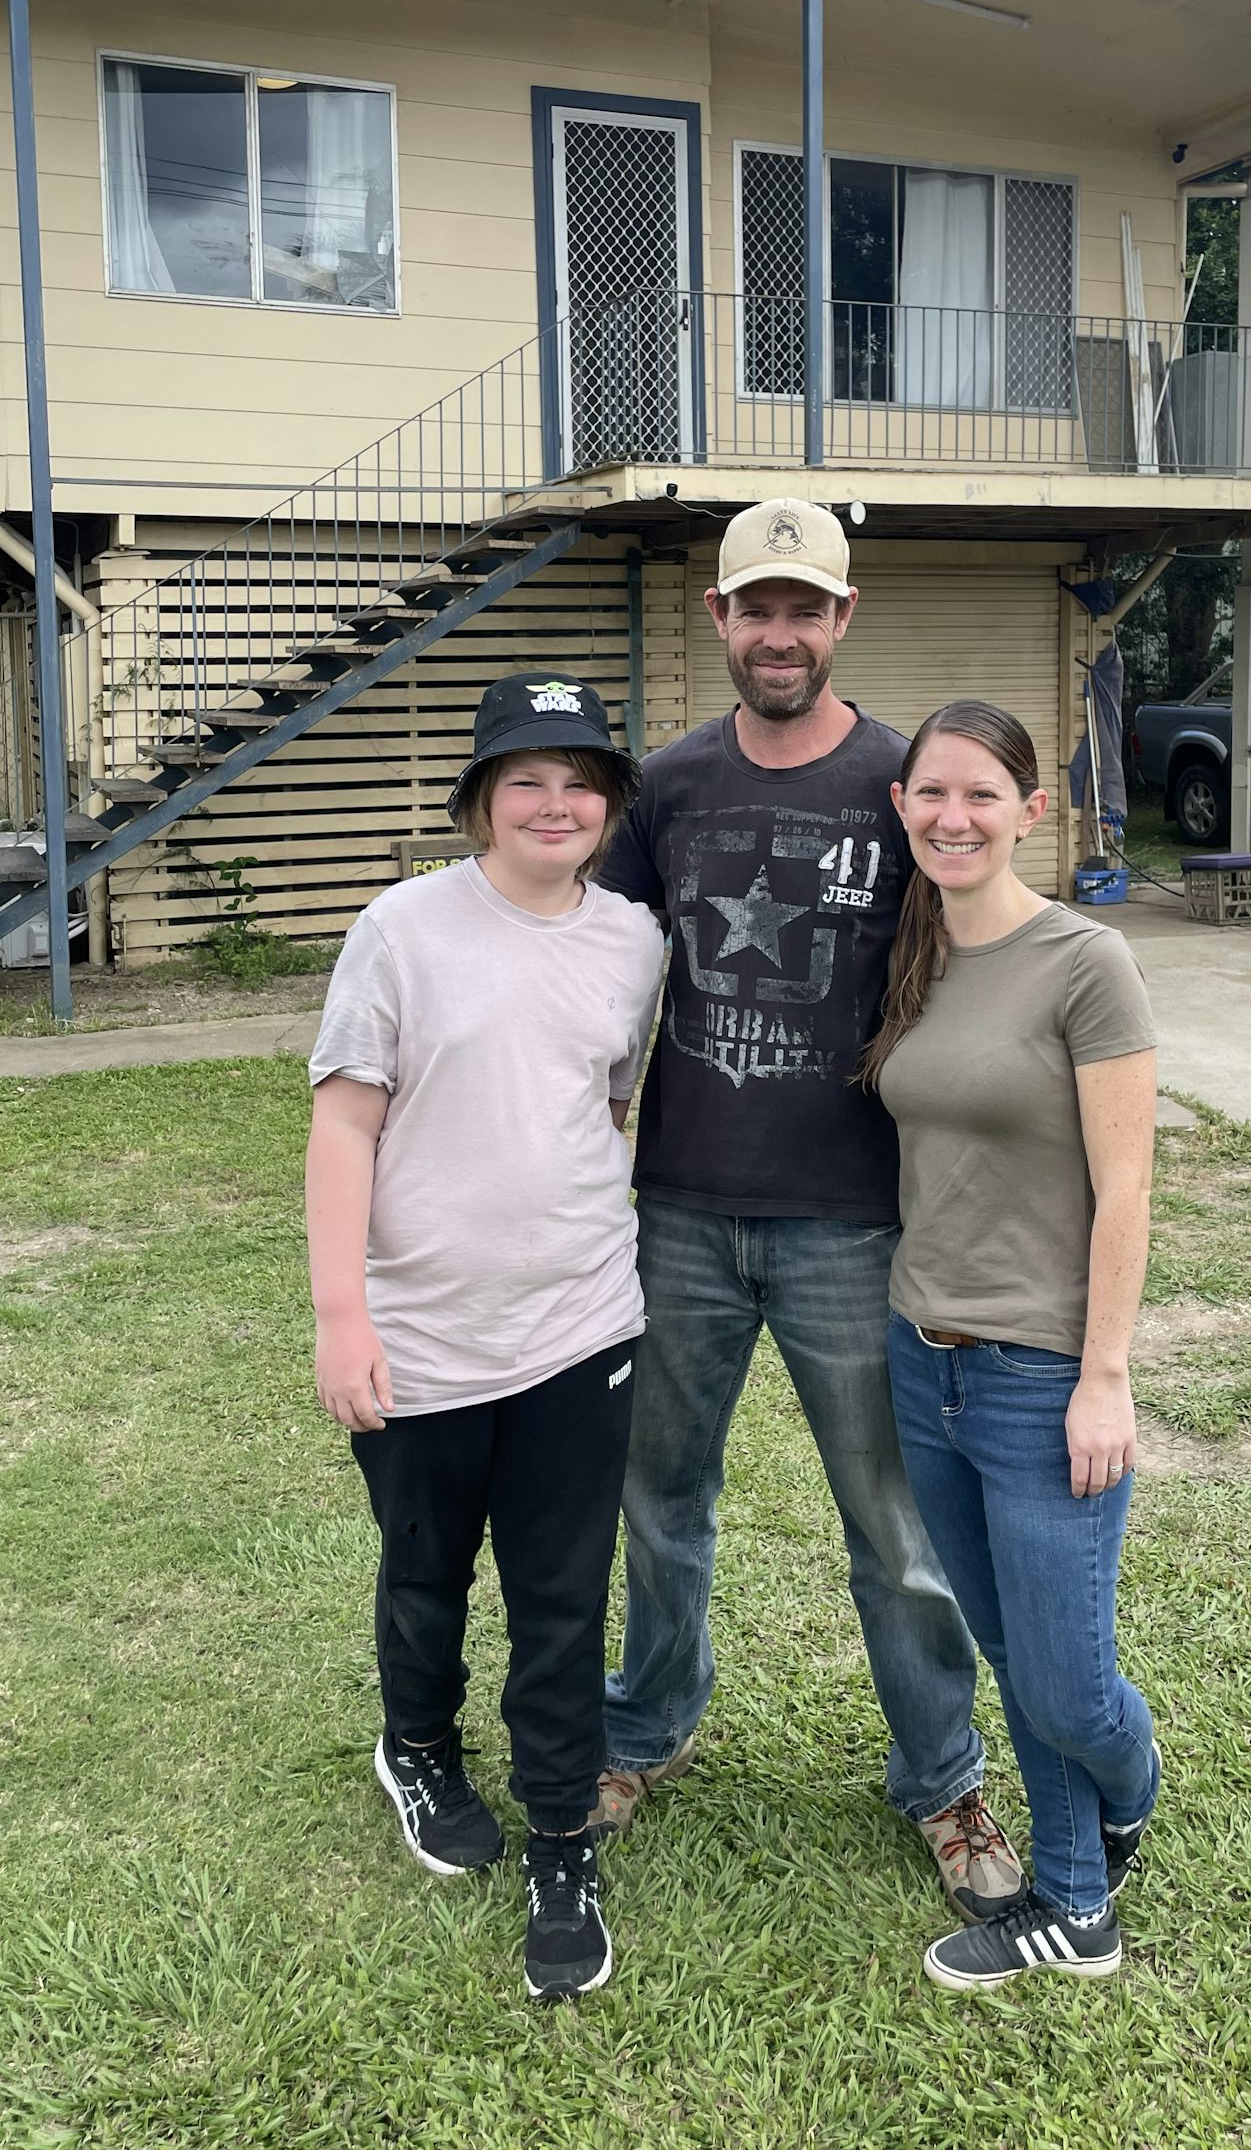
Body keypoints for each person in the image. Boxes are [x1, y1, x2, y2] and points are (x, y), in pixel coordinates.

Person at [593, 500, 1024, 1923]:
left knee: (894, 1522)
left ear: (844, 619)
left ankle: (944, 1777)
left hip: (857, 1217)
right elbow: (603, 975)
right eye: (754, 606)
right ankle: (645, 1727)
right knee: (660, 1500)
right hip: (683, 1212)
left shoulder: (913, 786)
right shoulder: (667, 788)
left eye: (806, 607)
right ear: (718, 619)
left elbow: (989, 961)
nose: (779, 633)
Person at [305, 672, 664, 2002]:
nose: (556, 802)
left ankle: (562, 1837)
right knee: (428, 1572)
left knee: (566, 1599)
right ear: (479, 803)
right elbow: (345, 1123)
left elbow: (606, 1108)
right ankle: (421, 1749)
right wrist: (344, 1317)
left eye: (581, 781)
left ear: (609, 807)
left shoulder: (634, 943)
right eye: (528, 779)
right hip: (424, 1336)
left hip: (582, 1325)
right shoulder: (401, 932)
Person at [860, 697, 1161, 1987]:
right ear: (901, 808)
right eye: (931, 793)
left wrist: (1104, 1378)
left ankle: (1130, 1783)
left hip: (1041, 1375)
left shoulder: (1088, 963)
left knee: (1066, 1684)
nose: (954, 817)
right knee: (1009, 1652)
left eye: (983, 794)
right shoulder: (913, 956)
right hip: (921, 1361)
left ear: (1033, 810)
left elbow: (1127, 1184)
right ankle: (1076, 1900)